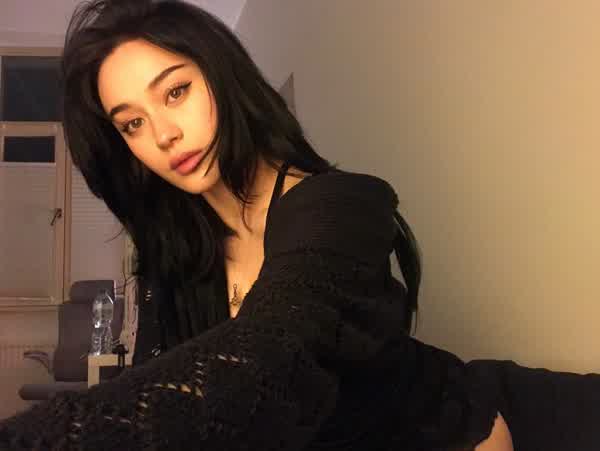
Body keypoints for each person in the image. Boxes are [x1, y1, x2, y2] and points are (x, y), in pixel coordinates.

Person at [0, 1, 598, 450]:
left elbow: (272, 354)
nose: (162, 134)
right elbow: (170, 384)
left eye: (176, 91)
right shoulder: (175, 256)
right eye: (131, 123)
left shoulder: (340, 206)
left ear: (224, 77)